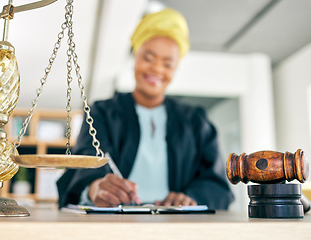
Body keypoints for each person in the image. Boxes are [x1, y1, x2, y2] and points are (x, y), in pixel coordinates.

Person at [57, 8, 234, 209]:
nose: (157, 69)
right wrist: (95, 187)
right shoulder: (103, 112)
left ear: (175, 69)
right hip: (115, 221)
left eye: (167, 64)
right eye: (148, 58)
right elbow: (84, 162)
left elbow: (216, 182)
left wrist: (191, 198)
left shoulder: (196, 120)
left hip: (178, 224)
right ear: (135, 57)